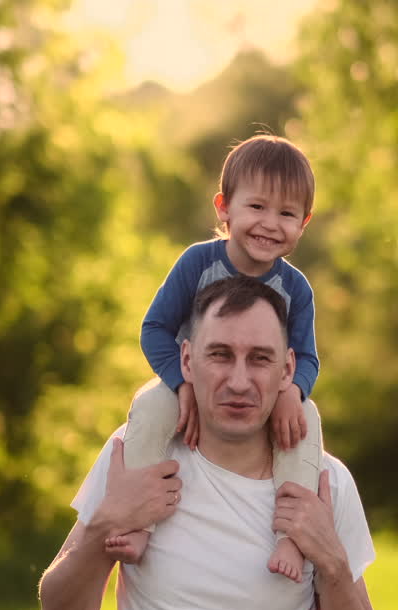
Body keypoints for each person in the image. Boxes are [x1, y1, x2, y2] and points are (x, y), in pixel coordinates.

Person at [38, 276, 380, 610]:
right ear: (186, 358)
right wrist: (106, 523)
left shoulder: (324, 482)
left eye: (260, 359)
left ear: (288, 370)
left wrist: (331, 560)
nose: (239, 381)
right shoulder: (138, 456)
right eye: (220, 355)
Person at [111, 134, 324, 583]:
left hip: (263, 395)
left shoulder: (296, 288)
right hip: (192, 384)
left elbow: (305, 356)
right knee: (148, 409)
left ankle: (292, 534)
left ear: (303, 223)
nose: (270, 223)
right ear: (224, 207)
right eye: (257, 207)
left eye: (286, 214)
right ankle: (138, 520)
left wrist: (294, 391)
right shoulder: (197, 263)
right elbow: (155, 330)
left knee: (307, 423)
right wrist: (180, 383)